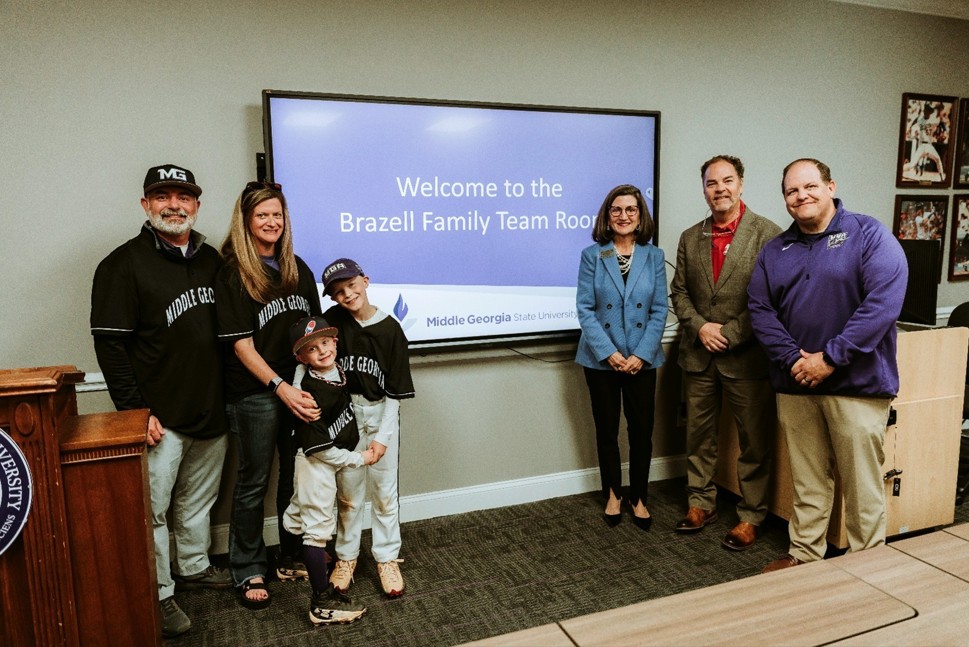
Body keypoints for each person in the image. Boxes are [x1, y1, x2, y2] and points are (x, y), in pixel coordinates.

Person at [90, 164, 231, 638]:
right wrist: (135, 411)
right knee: (151, 511)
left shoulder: (212, 260)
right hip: (158, 417)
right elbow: (110, 345)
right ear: (146, 205)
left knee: (196, 502)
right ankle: (160, 593)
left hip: (210, 408)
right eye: (163, 196)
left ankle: (192, 566)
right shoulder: (121, 264)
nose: (174, 204)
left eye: (183, 196)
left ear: (196, 204)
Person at [747, 159, 908, 572]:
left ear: (831, 186)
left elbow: (881, 306)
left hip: (857, 385)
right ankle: (804, 555)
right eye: (791, 191)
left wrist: (830, 359)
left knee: (862, 486)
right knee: (808, 481)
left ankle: (867, 566)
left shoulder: (868, 235)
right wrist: (794, 360)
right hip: (796, 384)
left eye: (809, 186)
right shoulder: (775, 250)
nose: (801, 196)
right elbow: (761, 311)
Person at [215, 181, 322, 608]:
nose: (271, 222)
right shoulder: (232, 272)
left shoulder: (297, 267)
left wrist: (306, 385)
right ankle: (248, 567)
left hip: (296, 385)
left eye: (277, 214)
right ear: (246, 221)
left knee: (297, 475)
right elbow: (241, 345)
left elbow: (315, 332)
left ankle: (291, 554)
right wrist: (279, 388)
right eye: (262, 215)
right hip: (256, 392)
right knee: (254, 480)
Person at [670, 156, 781, 550]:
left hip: (746, 358)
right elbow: (679, 292)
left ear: (741, 184)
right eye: (712, 183)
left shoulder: (769, 234)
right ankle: (701, 503)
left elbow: (770, 299)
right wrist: (700, 327)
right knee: (699, 436)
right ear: (704, 189)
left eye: (727, 180)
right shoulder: (689, 236)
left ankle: (751, 516)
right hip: (698, 356)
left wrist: (730, 333)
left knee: (754, 441)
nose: (720, 189)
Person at [575, 184, 668, 531]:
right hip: (601, 360)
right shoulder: (592, 255)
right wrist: (610, 353)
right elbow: (585, 309)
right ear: (607, 215)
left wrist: (641, 354)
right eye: (616, 209)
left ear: (640, 216)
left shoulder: (654, 256)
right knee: (607, 430)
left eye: (631, 209)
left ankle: (639, 497)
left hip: (642, 360)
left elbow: (659, 309)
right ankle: (613, 493)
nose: (624, 216)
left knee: (641, 431)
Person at [320, 258, 415, 598]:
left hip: (379, 413)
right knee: (348, 495)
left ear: (366, 280)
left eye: (351, 285)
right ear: (332, 298)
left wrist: (383, 439)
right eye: (338, 292)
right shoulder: (332, 323)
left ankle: (387, 558)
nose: (347, 294)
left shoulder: (390, 329)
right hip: (346, 416)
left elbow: (395, 393)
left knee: (384, 494)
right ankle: (346, 557)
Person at [282, 316, 374, 625]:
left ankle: (286, 562)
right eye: (311, 348)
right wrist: (359, 459)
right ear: (301, 357)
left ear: (334, 341)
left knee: (299, 515)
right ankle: (320, 604)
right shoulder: (308, 394)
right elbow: (320, 450)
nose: (321, 351)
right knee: (318, 530)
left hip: (323, 462)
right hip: (315, 464)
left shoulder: (333, 371)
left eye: (325, 342)